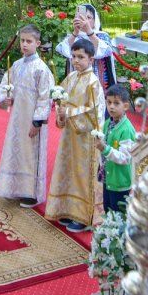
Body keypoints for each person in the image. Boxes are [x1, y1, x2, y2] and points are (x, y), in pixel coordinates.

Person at [45, 38, 105, 231]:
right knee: (67, 170)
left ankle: (83, 216)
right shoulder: (70, 78)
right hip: (70, 135)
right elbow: (62, 100)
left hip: (86, 139)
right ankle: (66, 209)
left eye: (81, 57)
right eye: (74, 56)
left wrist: (69, 113)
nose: (76, 60)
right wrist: (60, 112)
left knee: (81, 175)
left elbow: (94, 111)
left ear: (91, 59)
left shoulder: (93, 83)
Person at [0, 24, 54, 208]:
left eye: (29, 41)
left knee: (30, 155)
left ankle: (32, 194)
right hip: (17, 120)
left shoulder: (41, 69)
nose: (25, 45)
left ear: (38, 43)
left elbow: (46, 97)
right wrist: (5, 99)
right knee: (15, 151)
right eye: (22, 41)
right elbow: (7, 84)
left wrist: (37, 122)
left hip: (32, 121)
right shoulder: (17, 65)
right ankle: (14, 188)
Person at [98, 83, 137, 214]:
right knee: (107, 210)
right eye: (109, 102)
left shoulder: (126, 129)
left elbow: (125, 158)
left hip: (120, 182)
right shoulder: (109, 122)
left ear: (125, 106)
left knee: (118, 214)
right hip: (108, 178)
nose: (111, 107)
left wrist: (105, 149)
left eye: (116, 103)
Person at [55, 4, 114, 86]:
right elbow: (65, 50)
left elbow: (106, 51)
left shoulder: (102, 35)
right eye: (81, 17)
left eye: (88, 18)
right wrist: (75, 32)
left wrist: (89, 31)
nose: (85, 21)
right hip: (75, 78)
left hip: (97, 80)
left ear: (95, 20)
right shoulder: (73, 36)